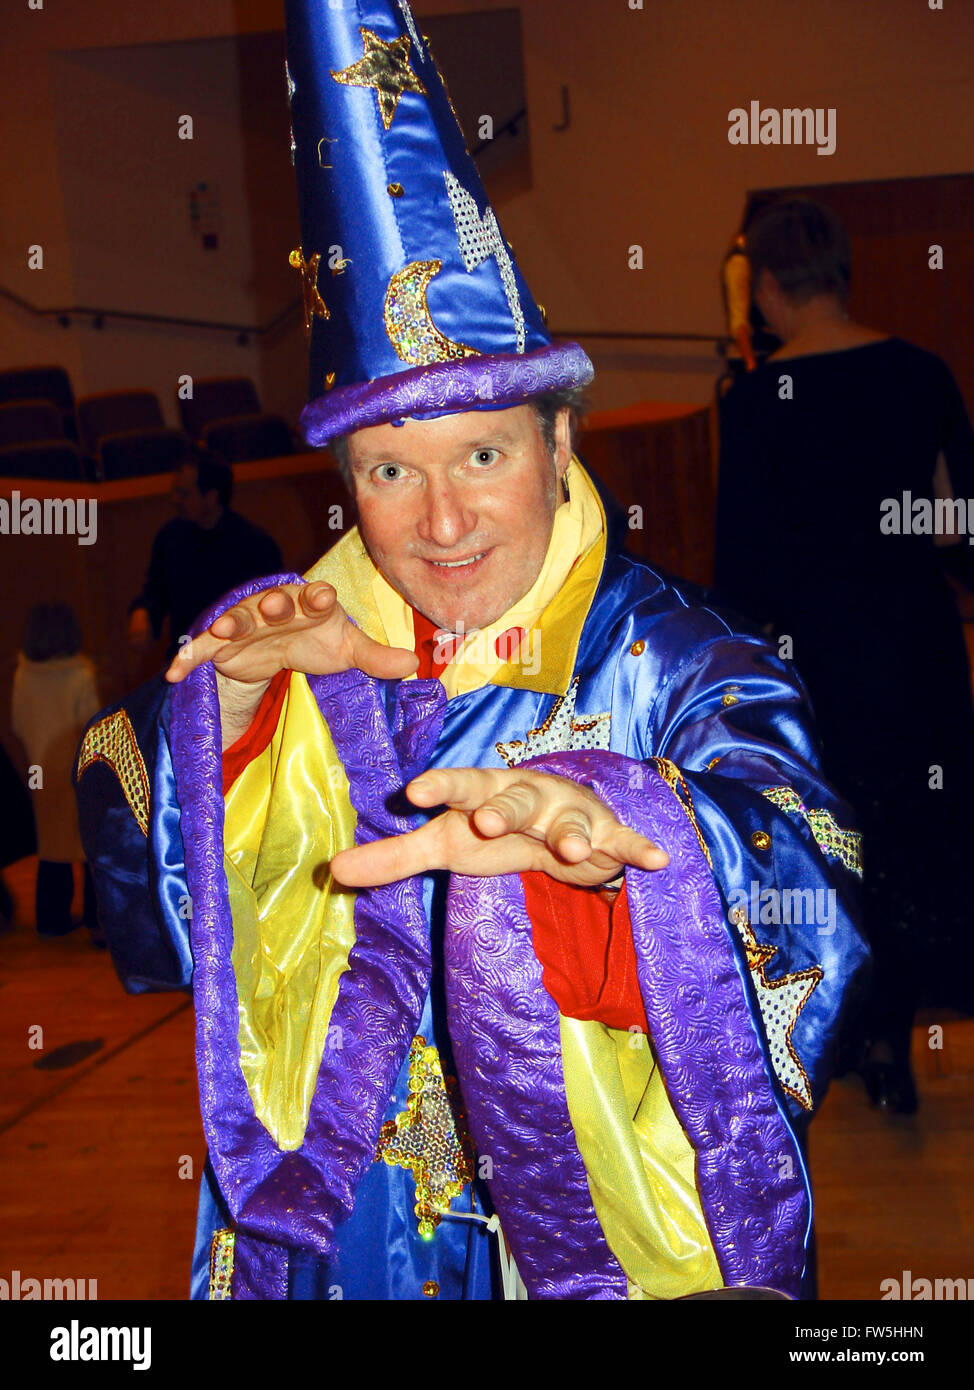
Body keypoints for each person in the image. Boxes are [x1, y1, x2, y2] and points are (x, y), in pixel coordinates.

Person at [77, 0, 868, 1301]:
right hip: (357, 1228)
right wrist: (223, 721)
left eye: (484, 454)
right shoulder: (299, 638)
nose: (439, 522)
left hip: (595, 1237)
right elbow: (158, 918)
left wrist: (626, 839)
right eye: (390, 468)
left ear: (562, 445)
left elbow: (812, 872)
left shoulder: (685, 656)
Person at [714, 197, 974, 1114]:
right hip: (914, 645)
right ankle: (898, 1039)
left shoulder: (756, 403)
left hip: (813, 662)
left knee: (829, 851)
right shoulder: (921, 373)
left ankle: (839, 1033)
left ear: (773, 288)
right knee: (916, 839)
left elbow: (739, 566)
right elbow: (957, 520)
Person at [127, 446, 283, 659]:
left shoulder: (255, 545)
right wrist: (142, 613)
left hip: (240, 662)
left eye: (184, 494)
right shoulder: (170, 537)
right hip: (186, 659)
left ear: (211, 497)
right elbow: (156, 592)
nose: (174, 500)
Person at [12, 602, 101, 939]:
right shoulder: (81, 674)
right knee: (87, 846)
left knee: (52, 847)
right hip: (75, 767)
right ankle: (97, 921)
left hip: (40, 768)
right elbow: (91, 723)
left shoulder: (23, 674)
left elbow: (18, 724)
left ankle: (51, 920)